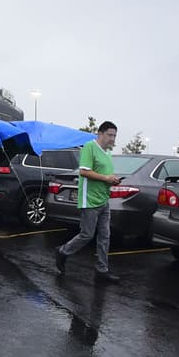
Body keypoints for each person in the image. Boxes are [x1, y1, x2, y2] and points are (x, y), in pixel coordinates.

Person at [55, 121, 122, 282]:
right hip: (90, 200)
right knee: (87, 234)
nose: (112, 139)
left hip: (103, 200)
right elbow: (84, 172)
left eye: (114, 136)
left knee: (105, 236)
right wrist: (106, 178)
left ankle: (102, 270)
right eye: (110, 135)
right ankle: (62, 251)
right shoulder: (89, 147)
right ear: (100, 133)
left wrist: (112, 180)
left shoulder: (107, 152)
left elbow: (104, 175)